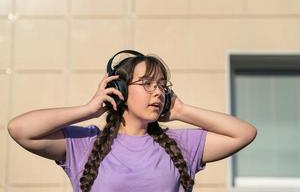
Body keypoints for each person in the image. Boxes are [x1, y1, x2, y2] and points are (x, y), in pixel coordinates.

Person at [7, 50, 257, 192]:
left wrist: (181, 110)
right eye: (147, 84)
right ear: (121, 90)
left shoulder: (179, 144)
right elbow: (20, 129)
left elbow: (244, 133)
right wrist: (88, 110)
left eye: (161, 85)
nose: (158, 92)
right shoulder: (86, 144)